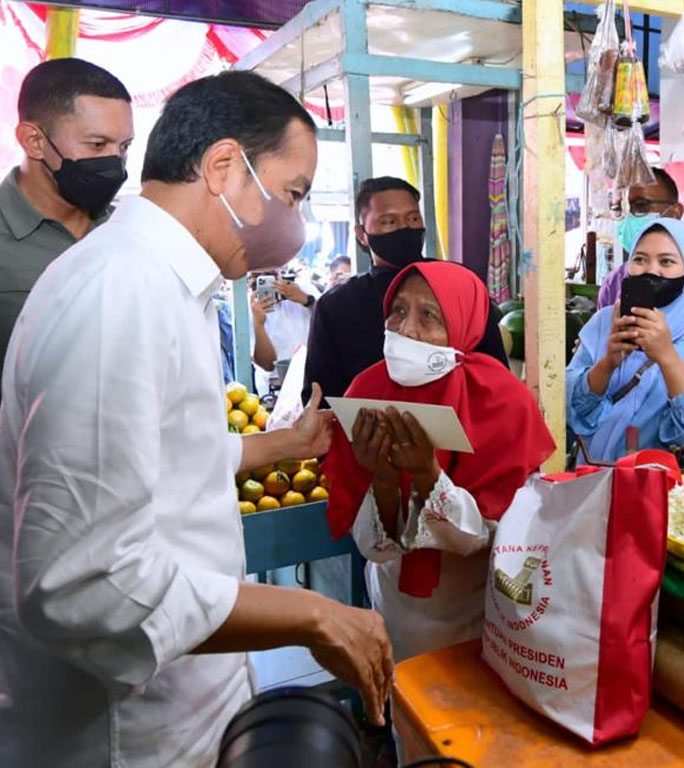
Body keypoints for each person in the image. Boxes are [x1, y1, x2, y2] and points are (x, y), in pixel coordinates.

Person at [0, 71, 392, 768]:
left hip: (177, 707)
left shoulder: (170, 286)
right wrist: (313, 613)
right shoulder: (120, 294)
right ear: (222, 168)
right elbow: (83, 585)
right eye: (293, 193)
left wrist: (278, 444)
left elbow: (164, 461)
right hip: (123, 732)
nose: (295, 222)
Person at [322, 261, 555, 662]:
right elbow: (372, 544)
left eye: (428, 315)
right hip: (393, 602)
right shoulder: (367, 390)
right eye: (397, 310)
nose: (406, 329)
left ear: (463, 325)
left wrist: (428, 475)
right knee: (405, 707)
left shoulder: (503, 401)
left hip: (473, 609)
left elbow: (496, 535)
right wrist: (384, 478)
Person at [302, 176, 508, 403]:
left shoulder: (459, 285)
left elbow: (496, 373)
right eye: (389, 221)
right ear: (362, 235)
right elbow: (320, 398)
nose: (404, 228)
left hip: (462, 426)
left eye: (412, 218)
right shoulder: (337, 305)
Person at [567, 219, 684, 462]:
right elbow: (569, 408)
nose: (651, 270)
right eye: (640, 259)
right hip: (592, 480)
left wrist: (667, 356)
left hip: (667, 490)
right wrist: (607, 364)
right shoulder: (602, 323)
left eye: (667, 261)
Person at [0, 58, 133, 381]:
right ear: (34, 141)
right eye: (97, 144)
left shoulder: (129, 232)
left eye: (125, 146)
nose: (114, 162)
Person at [597, 167, 683, 310]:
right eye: (620, 208)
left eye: (641, 205)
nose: (629, 216)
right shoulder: (613, 284)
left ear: (674, 213)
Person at [251, 265, 320, 395]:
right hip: (274, 389)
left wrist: (307, 300)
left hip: (310, 380)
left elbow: (331, 320)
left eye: (271, 273)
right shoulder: (250, 306)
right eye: (256, 276)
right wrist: (258, 324)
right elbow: (267, 365)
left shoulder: (304, 289)